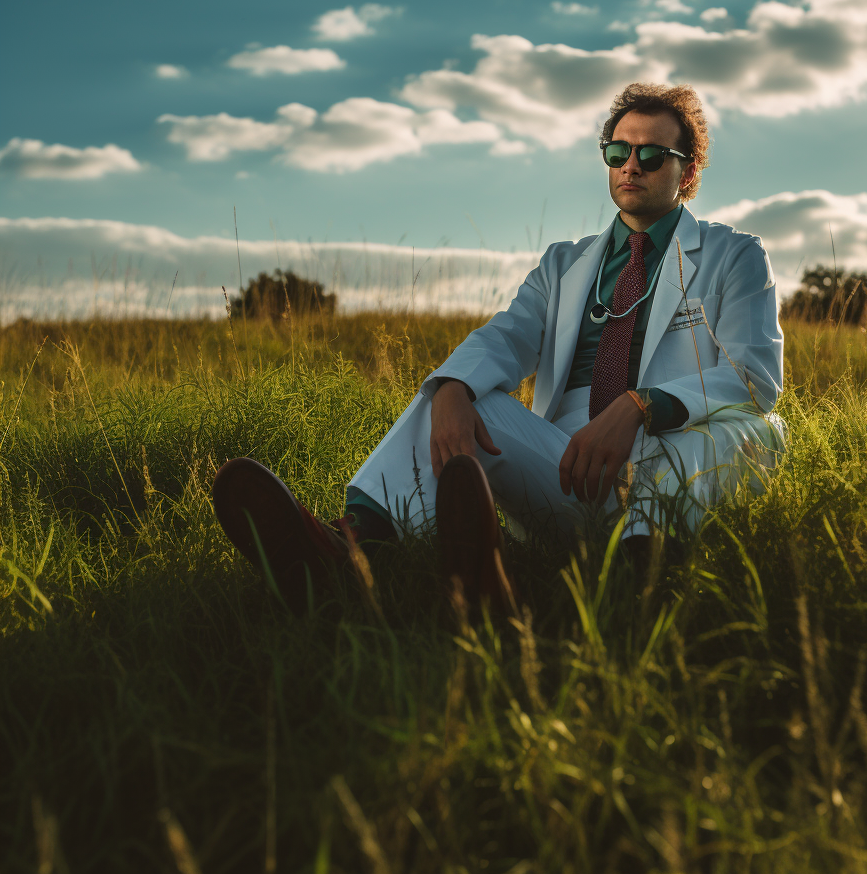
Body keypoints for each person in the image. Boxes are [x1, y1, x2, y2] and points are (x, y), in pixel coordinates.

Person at [213, 82, 786, 614]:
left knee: (761, 428)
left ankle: (627, 568)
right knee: (455, 396)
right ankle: (347, 554)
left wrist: (639, 406)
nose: (631, 165)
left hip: (668, 454)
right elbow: (507, 335)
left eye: (651, 154)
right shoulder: (564, 263)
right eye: (618, 152)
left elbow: (755, 375)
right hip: (562, 468)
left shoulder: (734, 255)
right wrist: (456, 387)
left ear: (686, 175)